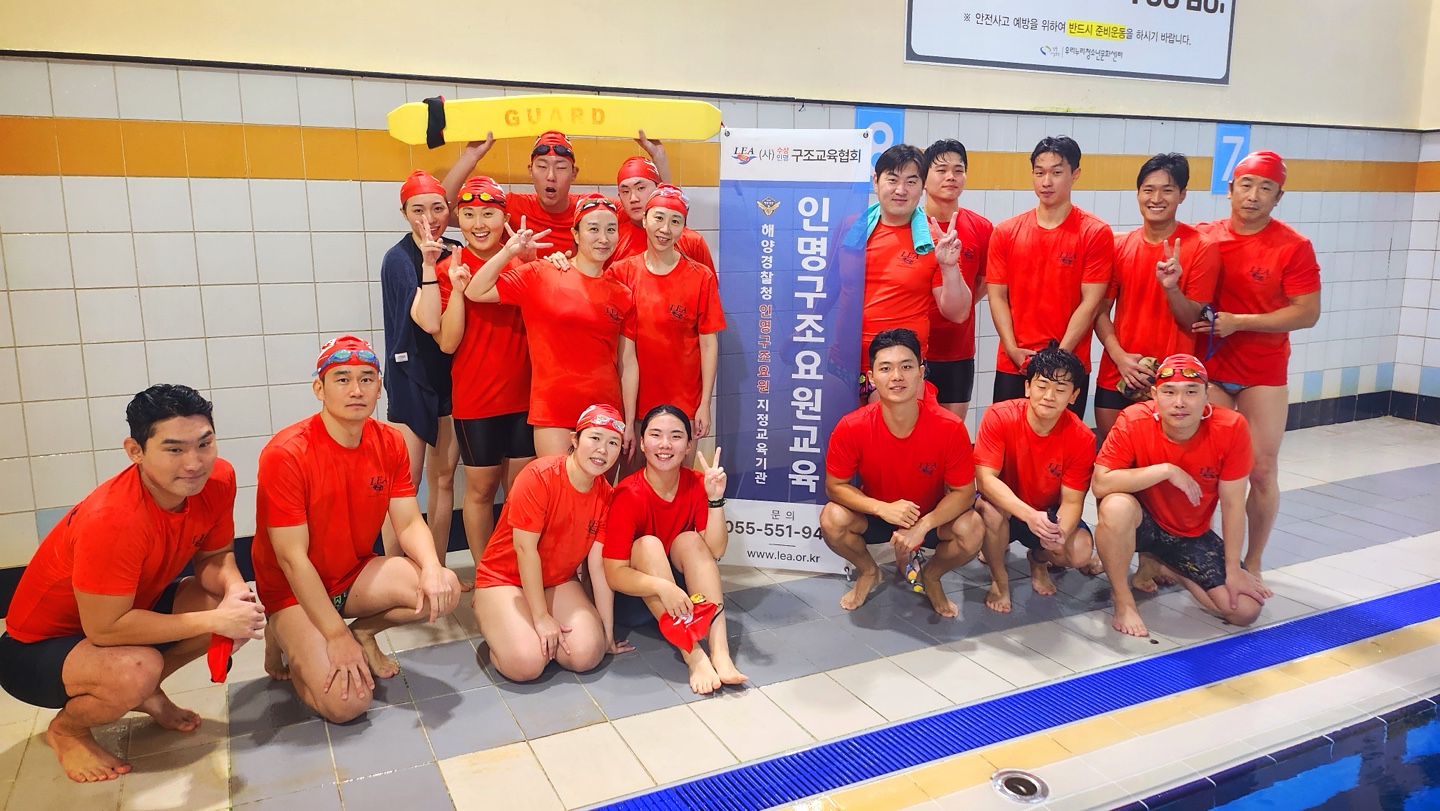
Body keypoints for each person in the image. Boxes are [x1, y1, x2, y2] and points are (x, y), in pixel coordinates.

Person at [0, 385, 264, 783]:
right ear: (135, 451)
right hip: (34, 649)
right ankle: (68, 730)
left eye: (204, 444)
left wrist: (234, 592)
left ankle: (146, 692)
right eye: (174, 449)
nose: (194, 463)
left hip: (121, 613)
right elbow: (105, 629)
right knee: (138, 669)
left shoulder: (218, 478)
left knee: (221, 604)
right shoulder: (114, 519)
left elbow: (214, 557)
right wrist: (217, 621)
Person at [252, 335, 461, 724]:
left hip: (352, 573)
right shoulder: (287, 454)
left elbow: (408, 520)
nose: (356, 390)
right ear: (319, 389)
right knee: (348, 704)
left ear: (380, 387)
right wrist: (334, 637)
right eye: (342, 379)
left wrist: (433, 567)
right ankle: (282, 630)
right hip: (292, 591)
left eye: (366, 379)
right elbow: (292, 559)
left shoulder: (389, 441)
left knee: (443, 589)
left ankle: (362, 633)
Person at [1194, 151, 1321, 589]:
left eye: (1265, 188)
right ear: (1230, 189)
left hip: (1263, 371)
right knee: (1204, 467)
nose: (1253, 195)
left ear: (1278, 196)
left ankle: (1254, 560)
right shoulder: (1205, 236)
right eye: (1246, 185)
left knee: (1262, 470)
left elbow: (1307, 313)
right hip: (1210, 367)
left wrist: (1240, 322)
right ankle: (1201, 551)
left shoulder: (1293, 246)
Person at [412, 176, 536, 571]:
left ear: (505, 218)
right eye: (468, 214)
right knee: (481, 492)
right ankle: (487, 576)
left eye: (488, 213)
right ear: (458, 220)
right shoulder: (447, 268)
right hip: (477, 399)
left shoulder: (523, 262)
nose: (479, 224)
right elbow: (448, 343)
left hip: (526, 397)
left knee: (520, 493)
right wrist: (458, 289)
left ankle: (516, 571)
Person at [1092, 354, 1266, 637]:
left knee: (1244, 611)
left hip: (1189, 533)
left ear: (1207, 394)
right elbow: (1100, 483)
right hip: (1143, 524)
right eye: (1169, 392)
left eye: (1191, 392)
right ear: (1154, 394)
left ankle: (1168, 567)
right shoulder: (1134, 420)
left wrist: (1233, 568)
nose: (1180, 402)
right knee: (1115, 507)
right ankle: (1123, 600)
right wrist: (1165, 470)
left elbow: (1233, 505)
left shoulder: (1230, 427)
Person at [820, 328, 986, 616]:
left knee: (972, 528)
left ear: (921, 373)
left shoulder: (949, 427)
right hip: (879, 515)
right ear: (871, 377)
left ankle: (932, 575)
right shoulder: (852, 426)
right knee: (832, 519)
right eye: (886, 368)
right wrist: (881, 508)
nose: (896, 376)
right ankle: (869, 571)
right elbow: (835, 486)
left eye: (906, 367)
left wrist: (923, 525)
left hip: (931, 517)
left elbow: (964, 492)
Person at [466, 194, 639, 458]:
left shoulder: (622, 294)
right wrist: (509, 251)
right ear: (576, 234)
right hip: (553, 410)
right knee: (557, 482)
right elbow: (476, 291)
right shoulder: (541, 274)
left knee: (598, 486)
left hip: (605, 411)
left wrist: (628, 421)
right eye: (593, 229)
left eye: (610, 230)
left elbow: (627, 363)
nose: (603, 238)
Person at [472, 405, 627, 682]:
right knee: (526, 664)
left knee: (588, 654)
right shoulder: (539, 476)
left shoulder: (606, 495)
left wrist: (607, 633)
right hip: (504, 579)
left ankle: (529, 631)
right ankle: (493, 614)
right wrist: (541, 617)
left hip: (556, 580)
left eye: (613, 442)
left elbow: (597, 566)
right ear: (575, 440)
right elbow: (525, 550)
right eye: (595, 438)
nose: (602, 450)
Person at [601, 405, 745, 694]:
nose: (665, 444)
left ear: (688, 445)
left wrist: (715, 499)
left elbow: (716, 549)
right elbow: (614, 575)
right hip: (639, 599)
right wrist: (661, 587)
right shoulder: (628, 494)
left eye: (676, 436)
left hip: (683, 596)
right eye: (656, 435)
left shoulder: (697, 483)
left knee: (690, 541)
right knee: (648, 545)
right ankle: (694, 655)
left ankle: (720, 652)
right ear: (643, 443)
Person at [1094, 153, 1222, 440]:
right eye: (1148, 190)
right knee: (1113, 456)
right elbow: (1100, 311)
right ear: (1138, 193)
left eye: (1167, 190)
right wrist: (1120, 357)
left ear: (1182, 195)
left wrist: (1171, 287)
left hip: (1173, 379)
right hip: (1119, 372)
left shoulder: (1202, 248)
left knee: (1164, 458)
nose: (1156, 199)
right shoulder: (1120, 246)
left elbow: (1192, 319)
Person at [987, 136, 1114, 417]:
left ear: (1075, 174)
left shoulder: (1094, 233)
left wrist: (1058, 357)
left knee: (1065, 441)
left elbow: (1090, 302)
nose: (1046, 182)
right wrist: (1012, 348)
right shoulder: (1006, 232)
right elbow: (997, 297)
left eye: (1056, 172)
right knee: (1008, 436)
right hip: (1015, 362)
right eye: (1039, 172)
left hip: (1068, 363)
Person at [974, 344, 1100, 613]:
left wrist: (1059, 535)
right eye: (1042, 385)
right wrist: (1029, 515)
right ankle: (999, 579)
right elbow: (985, 481)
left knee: (1078, 551)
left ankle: (1039, 560)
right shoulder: (999, 416)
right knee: (989, 511)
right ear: (1028, 387)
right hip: (1007, 507)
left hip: (1047, 513)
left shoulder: (1082, 437)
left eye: (1061, 389)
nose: (1049, 396)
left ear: (1074, 396)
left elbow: (1073, 500)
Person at [845, 143, 972, 402]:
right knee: (843, 430)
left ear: (922, 186)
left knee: (892, 430)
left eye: (911, 182)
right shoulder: (850, 229)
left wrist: (949, 267)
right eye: (892, 180)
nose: (901, 190)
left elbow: (957, 313)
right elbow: (827, 291)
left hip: (900, 370)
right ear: (876, 182)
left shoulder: (934, 241)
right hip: (843, 362)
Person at [380, 170, 460, 569]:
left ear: (449, 209)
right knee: (404, 484)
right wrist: (430, 265)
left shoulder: (456, 250)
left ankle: (438, 566)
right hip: (410, 376)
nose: (429, 219)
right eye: (418, 210)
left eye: (437, 208)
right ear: (404, 213)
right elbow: (429, 321)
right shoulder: (398, 260)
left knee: (443, 479)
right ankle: (395, 572)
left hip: (450, 374)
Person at [608, 184, 725, 448]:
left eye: (675, 221)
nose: (665, 229)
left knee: (678, 473)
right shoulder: (621, 273)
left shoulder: (701, 277)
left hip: (684, 404)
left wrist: (704, 403)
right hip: (633, 403)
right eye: (659, 218)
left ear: (683, 227)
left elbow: (708, 344)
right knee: (634, 472)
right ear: (645, 219)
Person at [920, 139, 993, 419]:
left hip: (957, 352)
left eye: (958, 170)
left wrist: (957, 304)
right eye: (941, 170)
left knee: (951, 429)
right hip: (913, 349)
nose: (951, 176)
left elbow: (985, 280)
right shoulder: (909, 225)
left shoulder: (981, 227)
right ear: (924, 178)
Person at [611, 154, 714, 267]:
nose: (633, 198)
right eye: (625, 192)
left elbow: (707, 278)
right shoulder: (612, 240)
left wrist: (659, 156)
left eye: (641, 188)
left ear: (657, 189)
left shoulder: (692, 241)